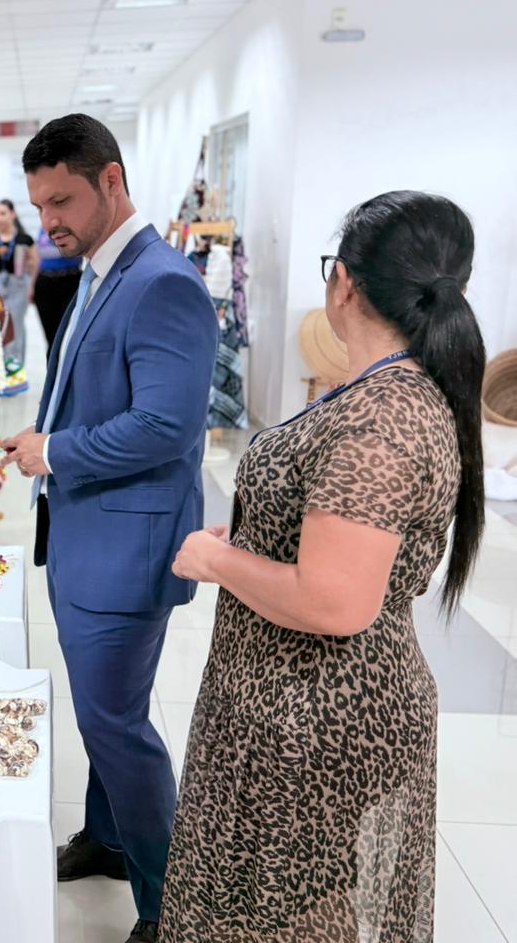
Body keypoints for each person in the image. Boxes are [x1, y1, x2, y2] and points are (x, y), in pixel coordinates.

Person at [160, 191, 485, 941]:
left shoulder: (382, 417)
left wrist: (217, 559)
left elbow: (336, 601)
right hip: (292, 710)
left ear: (343, 281)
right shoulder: (390, 393)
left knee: (288, 918)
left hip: (317, 726)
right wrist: (253, 540)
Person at [0, 114, 217, 943]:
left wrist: (54, 451)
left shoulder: (162, 282)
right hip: (87, 534)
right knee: (100, 712)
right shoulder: (101, 270)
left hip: (125, 548)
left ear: (113, 182)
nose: (46, 218)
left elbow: (165, 426)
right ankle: (107, 836)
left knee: (118, 726)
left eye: (61, 200)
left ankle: (167, 905)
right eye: (39, 202)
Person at [0, 199, 36, 368]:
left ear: (13, 214)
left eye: (3, 213)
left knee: (15, 324)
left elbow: (34, 262)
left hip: (18, 284)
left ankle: (15, 366)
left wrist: (31, 284)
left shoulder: (24, 239)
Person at [31, 225, 84, 357]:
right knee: (51, 339)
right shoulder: (43, 227)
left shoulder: (71, 222)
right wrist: (31, 285)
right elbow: (38, 257)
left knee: (67, 336)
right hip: (45, 282)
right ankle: (52, 373)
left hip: (70, 279)